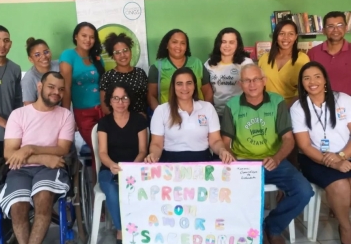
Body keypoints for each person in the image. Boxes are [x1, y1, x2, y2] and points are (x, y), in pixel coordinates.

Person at [221, 63, 313, 244]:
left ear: (264, 81)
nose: (252, 84)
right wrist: (233, 161)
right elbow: (225, 143)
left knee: (304, 191)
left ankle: (273, 226)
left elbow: (288, 139)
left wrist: (277, 158)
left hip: (274, 161)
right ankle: (252, 231)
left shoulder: (277, 101)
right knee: (237, 196)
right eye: (247, 81)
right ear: (240, 84)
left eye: (256, 79)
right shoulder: (232, 105)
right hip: (243, 163)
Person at [0, 71, 75, 244]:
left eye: (61, 89)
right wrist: (43, 158)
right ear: (39, 87)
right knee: (18, 208)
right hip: (21, 170)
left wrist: (29, 148)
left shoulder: (66, 115)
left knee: (43, 199)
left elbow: (62, 149)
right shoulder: (19, 115)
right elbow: (10, 153)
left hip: (50, 169)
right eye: (51, 87)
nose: (56, 92)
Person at [290, 61, 351, 244]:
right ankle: (345, 227)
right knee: (340, 185)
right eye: (306, 78)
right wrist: (334, 162)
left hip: (345, 152)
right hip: (314, 159)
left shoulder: (344, 99)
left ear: (325, 79)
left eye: (317, 76)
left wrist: (342, 156)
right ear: (302, 83)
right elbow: (306, 147)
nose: (312, 81)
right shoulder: (298, 108)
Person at [145, 67, 232, 163]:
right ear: (173, 87)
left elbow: (215, 141)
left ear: (194, 85)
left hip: (202, 163)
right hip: (170, 165)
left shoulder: (207, 108)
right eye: (179, 84)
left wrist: (222, 150)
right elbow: (157, 144)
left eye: (189, 83)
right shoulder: (161, 110)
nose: (184, 88)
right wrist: (153, 155)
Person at [97, 82, 147, 244]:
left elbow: (142, 151)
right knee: (111, 190)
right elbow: (102, 153)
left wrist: (130, 167)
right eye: (116, 98)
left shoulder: (139, 120)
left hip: (135, 169)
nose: (120, 102)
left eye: (124, 98)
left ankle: (144, 226)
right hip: (109, 169)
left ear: (130, 100)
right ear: (109, 101)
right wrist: (112, 165)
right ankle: (121, 230)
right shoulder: (104, 123)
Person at [59, 22, 105, 175]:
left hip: (104, 111)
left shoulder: (97, 58)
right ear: (76, 37)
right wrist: (67, 116)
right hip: (83, 113)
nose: (88, 40)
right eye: (84, 36)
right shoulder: (68, 55)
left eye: (92, 37)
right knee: (97, 148)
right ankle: (99, 183)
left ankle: (109, 182)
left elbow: (103, 87)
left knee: (109, 147)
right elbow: (66, 87)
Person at [147, 29, 213, 111]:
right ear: (167, 45)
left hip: (197, 115)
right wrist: (161, 114)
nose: (178, 46)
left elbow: (208, 91)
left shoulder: (197, 63)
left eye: (183, 43)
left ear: (186, 47)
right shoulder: (157, 67)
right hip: (169, 116)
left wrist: (204, 111)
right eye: (174, 42)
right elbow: (151, 95)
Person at [204, 27, 253, 120]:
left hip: (240, 113)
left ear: (237, 44)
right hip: (216, 113)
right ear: (219, 43)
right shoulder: (209, 64)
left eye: (231, 42)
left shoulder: (246, 63)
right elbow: (206, 90)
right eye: (224, 42)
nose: (227, 46)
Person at [259, 20, 310, 107]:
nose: (286, 38)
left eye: (290, 34)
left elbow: (304, 88)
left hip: (292, 108)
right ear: (276, 36)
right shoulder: (264, 58)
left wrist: (288, 109)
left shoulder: (302, 59)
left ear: (295, 37)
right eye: (281, 33)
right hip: (267, 108)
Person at [100, 33, 148, 115]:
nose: (122, 55)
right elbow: (105, 108)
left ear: (131, 51)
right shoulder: (107, 77)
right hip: (118, 123)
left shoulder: (140, 73)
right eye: (117, 52)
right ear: (113, 57)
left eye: (125, 50)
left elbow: (147, 99)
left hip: (142, 122)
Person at [308, 11, 351, 96]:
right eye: (330, 26)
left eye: (340, 25)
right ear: (324, 31)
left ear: (346, 28)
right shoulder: (313, 53)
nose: (336, 30)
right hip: (321, 105)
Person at [0, 25, 22, 160]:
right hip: (7, 128)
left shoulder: (15, 69)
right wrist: (7, 124)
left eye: (6, 40)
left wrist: (16, 127)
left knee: (8, 174)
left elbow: (18, 103)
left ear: (10, 44)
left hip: (10, 136)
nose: (2, 45)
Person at [22, 37, 59, 105]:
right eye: (37, 55)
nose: (44, 56)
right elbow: (29, 108)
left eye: (46, 52)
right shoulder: (29, 79)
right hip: (41, 114)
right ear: (30, 59)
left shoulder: (60, 66)